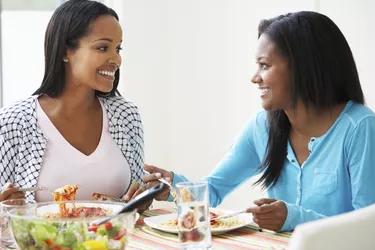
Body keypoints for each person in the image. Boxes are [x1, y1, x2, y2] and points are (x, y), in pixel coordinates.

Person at [143, 11, 375, 231]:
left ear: (303, 67)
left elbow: (366, 227)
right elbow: (212, 190)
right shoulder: (262, 127)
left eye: (264, 65)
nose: (255, 78)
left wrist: (293, 217)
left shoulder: (360, 128)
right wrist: (171, 185)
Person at [0, 0, 149, 210]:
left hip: (114, 240)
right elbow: (5, 213)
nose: (116, 59)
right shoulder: (13, 122)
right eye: (103, 47)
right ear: (64, 51)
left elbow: (136, 200)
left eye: (118, 48)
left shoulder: (127, 115)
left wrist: (142, 197)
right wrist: (8, 208)